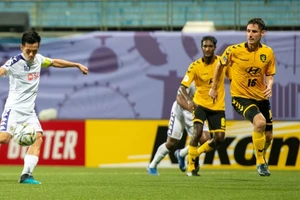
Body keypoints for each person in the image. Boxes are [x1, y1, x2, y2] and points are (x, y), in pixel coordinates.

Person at [0, 30, 88, 184]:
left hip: (29, 112)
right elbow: (2, 70)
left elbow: (55, 62)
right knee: (4, 139)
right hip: (13, 109)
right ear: (21, 47)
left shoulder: (38, 59)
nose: (32, 54)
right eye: (28, 51)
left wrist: (76, 65)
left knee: (38, 137)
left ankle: (26, 175)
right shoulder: (15, 62)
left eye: (35, 50)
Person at [209, 18, 275, 177]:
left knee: (268, 136)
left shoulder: (268, 52)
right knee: (260, 122)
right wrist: (213, 87)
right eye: (248, 31)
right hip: (240, 97)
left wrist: (269, 85)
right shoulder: (233, 50)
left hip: (261, 98)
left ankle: (259, 151)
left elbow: (270, 74)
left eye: (254, 31)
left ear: (262, 33)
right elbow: (219, 65)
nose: (250, 35)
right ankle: (260, 162)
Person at [180, 36, 230, 176]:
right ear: (202, 48)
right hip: (200, 104)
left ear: (214, 47)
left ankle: (197, 153)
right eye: (205, 46)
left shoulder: (222, 62)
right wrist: (189, 100)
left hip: (218, 106)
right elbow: (183, 87)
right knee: (197, 132)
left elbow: (232, 77)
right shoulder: (195, 66)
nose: (207, 49)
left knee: (219, 138)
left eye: (210, 46)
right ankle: (191, 167)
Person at [147, 83, 211, 176]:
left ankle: (182, 154)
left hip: (197, 113)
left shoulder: (214, 82)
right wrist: (192, 108)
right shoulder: (192, 79)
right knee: (171, 143)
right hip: (179, 113)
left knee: (205, 141)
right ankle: (152, 165)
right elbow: (179, 99)